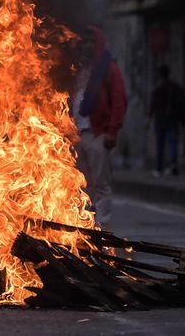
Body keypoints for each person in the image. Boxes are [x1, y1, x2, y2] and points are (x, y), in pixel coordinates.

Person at [72, 26, 127, 228]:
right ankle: (86, 225)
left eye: (91, 42)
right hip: (76, 133)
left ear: (98, 44)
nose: (87, 45)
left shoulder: (107, 68)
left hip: (97, 134)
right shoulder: (77, 68)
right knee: (82, 184)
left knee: (101, 183)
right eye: (84, 41)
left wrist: (112, 131)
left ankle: (104, 226)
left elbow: (119, 100)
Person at [148, 65, 185, 177]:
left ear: (160, 75)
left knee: (160, 144)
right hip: (172, 119)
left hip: (161, 119)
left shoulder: (158, 88)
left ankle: (160, 168)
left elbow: (153, 105)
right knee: (172, 142)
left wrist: (148, 119)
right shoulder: (174, 87)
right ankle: (173, 166)